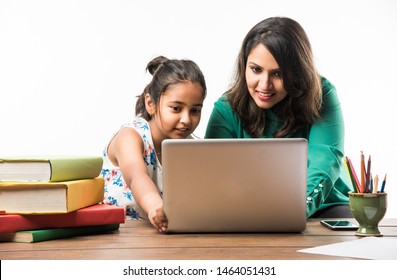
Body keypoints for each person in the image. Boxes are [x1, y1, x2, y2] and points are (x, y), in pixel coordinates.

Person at [205, 17, 353, 218]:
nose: (264, 85)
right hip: (249, 210)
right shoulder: (225, 108)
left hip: (324, 205)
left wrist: (294, 211)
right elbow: (214, 175)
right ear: (244, 65)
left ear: (297, 72)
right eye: (256, 69)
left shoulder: (322, 94)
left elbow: (324, 162)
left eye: (278, 74)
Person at [101, 56, 207, 232]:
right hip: (118, 233)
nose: (186, 120)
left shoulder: (189, 146)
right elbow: (137, 177)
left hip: (161, 233)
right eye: (176, 108)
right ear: (150, 104)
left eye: (195, 110)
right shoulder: (130, 137)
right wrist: (156, 206)